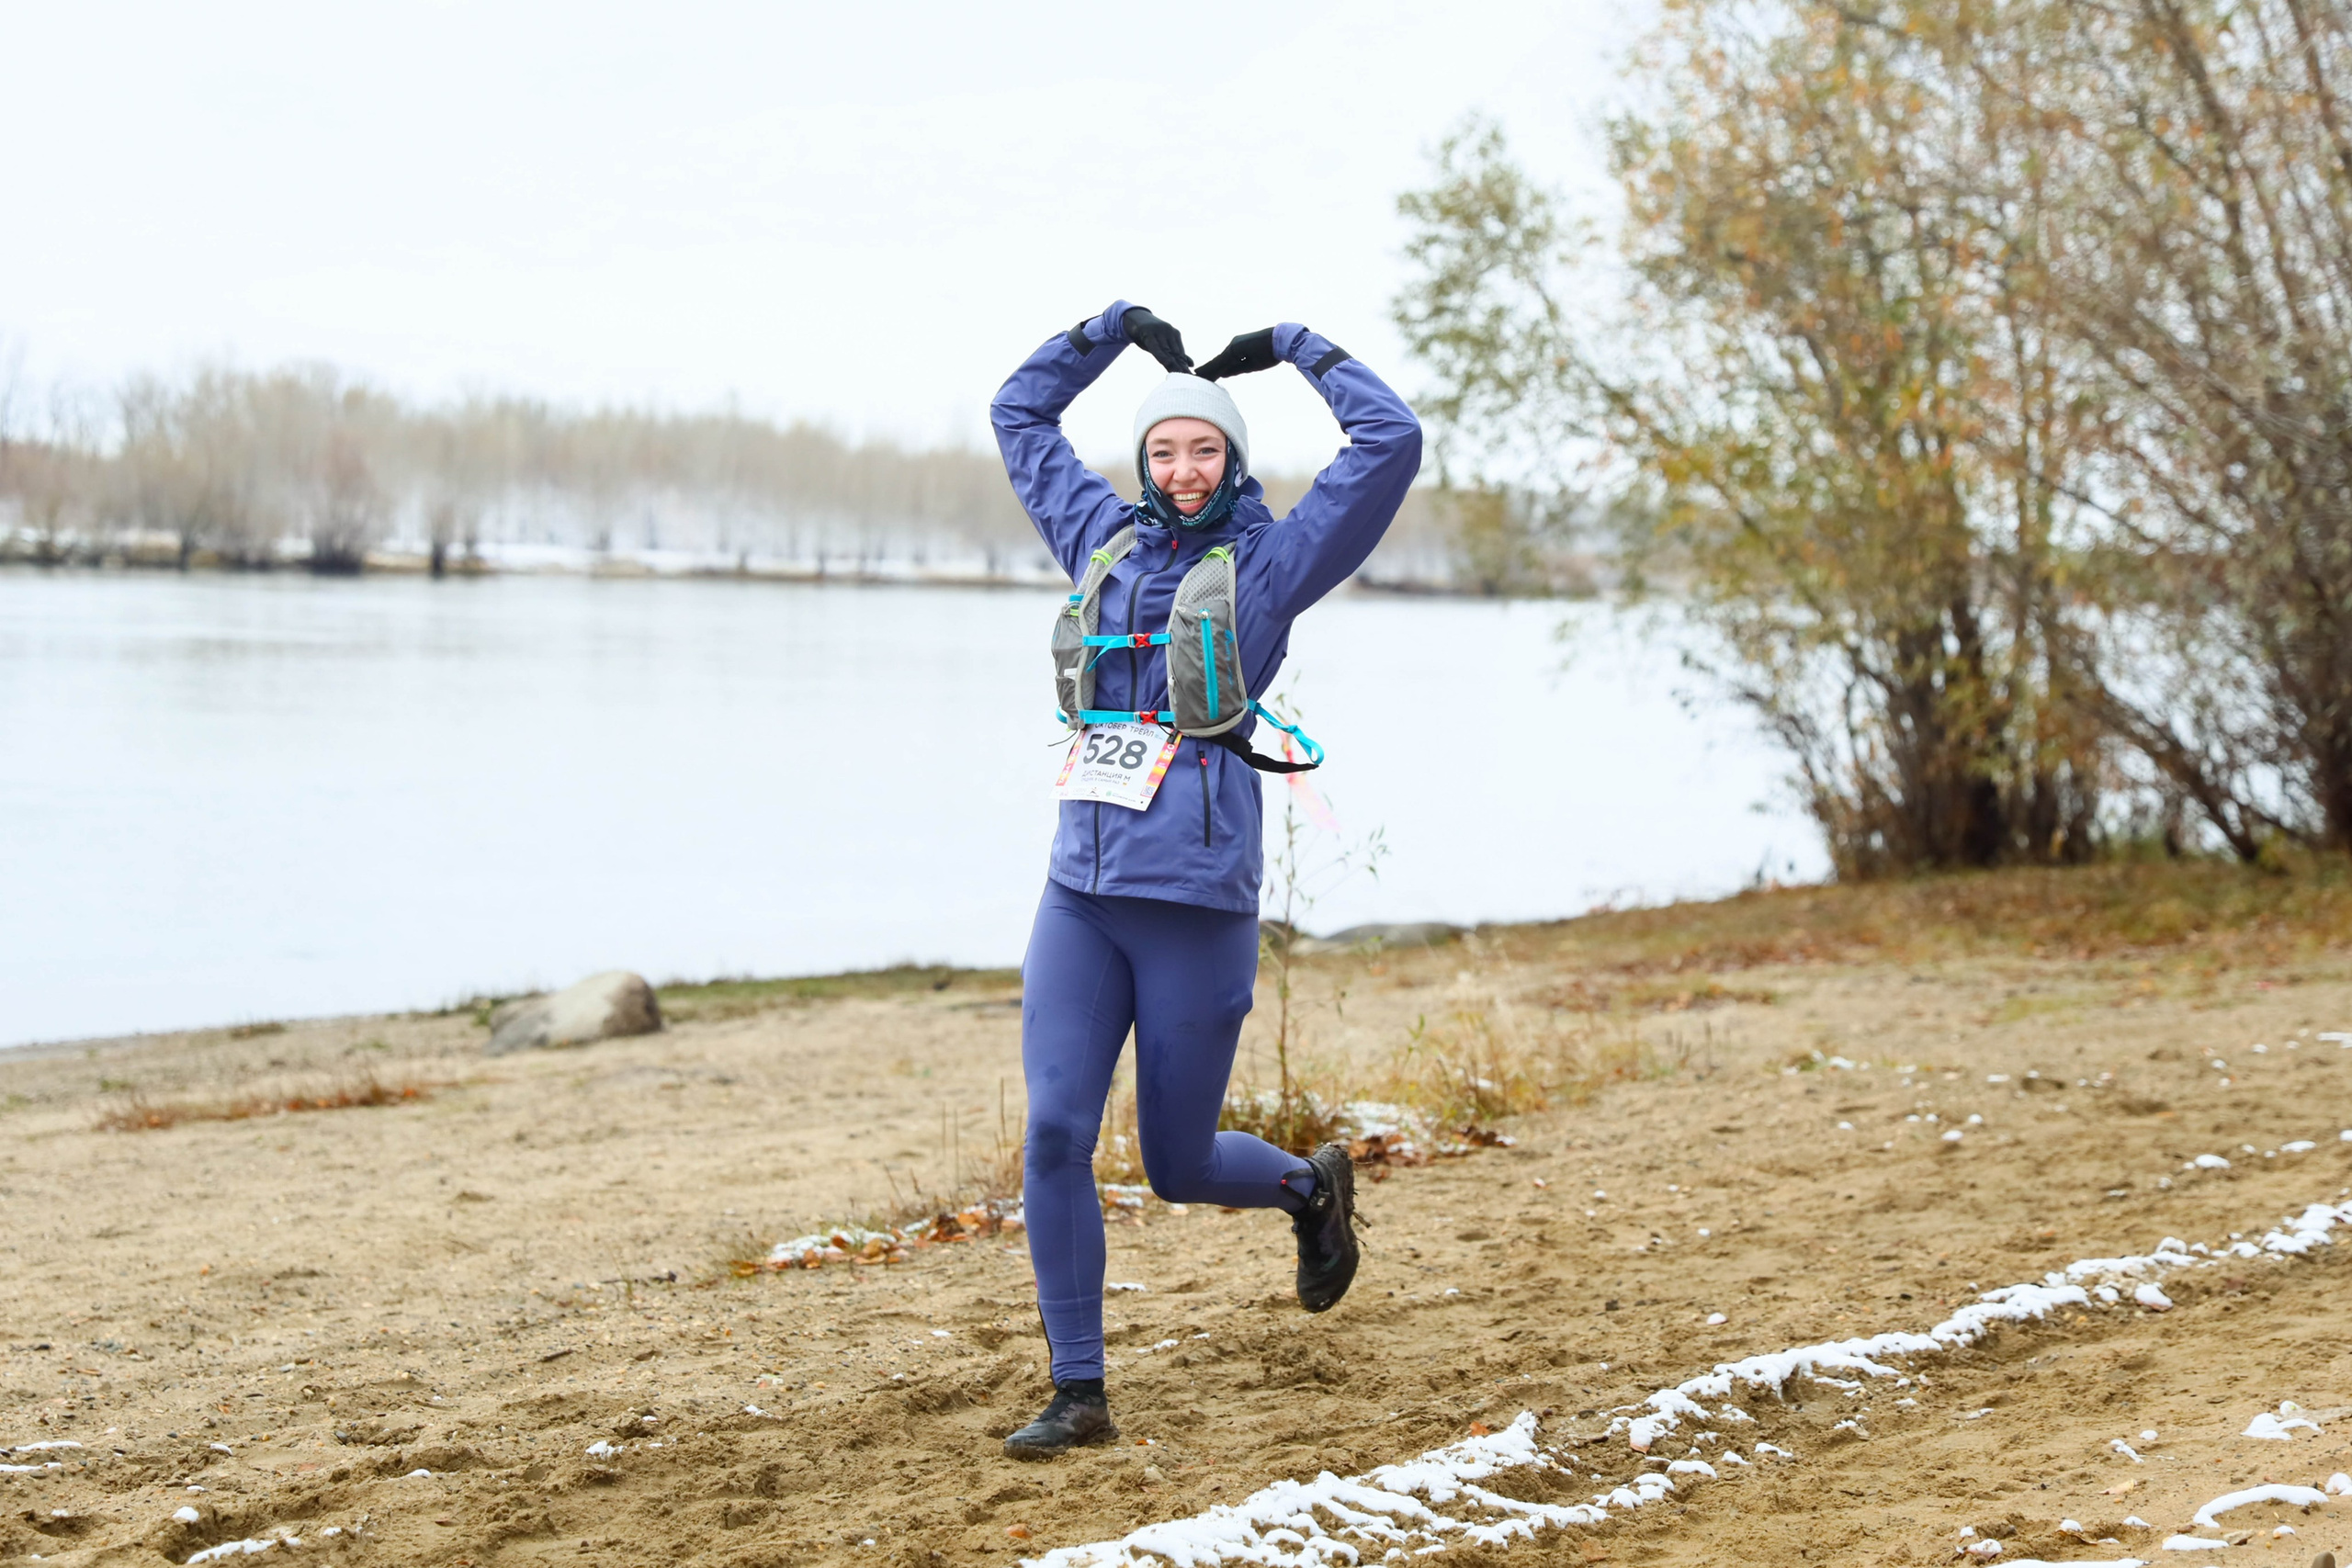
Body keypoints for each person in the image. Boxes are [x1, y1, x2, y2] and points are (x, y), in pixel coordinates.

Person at [986, 302, 1422, 1459]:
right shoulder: (1099, 540)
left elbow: (1391, 442)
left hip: (1196, 904)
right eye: (1164, 449)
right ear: (1142, 462)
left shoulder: (1274, 563)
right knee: (1052, 1134)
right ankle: (1079, 1393)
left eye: (1205, 448)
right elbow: (1018, 412)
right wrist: (1109, 332)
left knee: (1176, 1165)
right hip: (1079, 889)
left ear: (1233, 459)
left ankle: (1307, 1191)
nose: (1182, 470)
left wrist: (1294, 348)